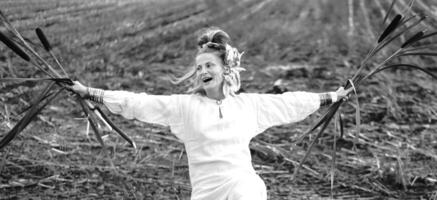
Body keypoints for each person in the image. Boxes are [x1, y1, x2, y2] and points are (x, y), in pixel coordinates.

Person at [69, 27, 353, 200]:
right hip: (206, 191)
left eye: (209, 65)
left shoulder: (248, 106)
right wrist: (91, 92)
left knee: (252, 193)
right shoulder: (184, 107)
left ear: (225, 69)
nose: (203, 71)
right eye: (200, 67)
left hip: (242, 183)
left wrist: (331, 97)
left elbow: (289, 103)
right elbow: (139, 102)